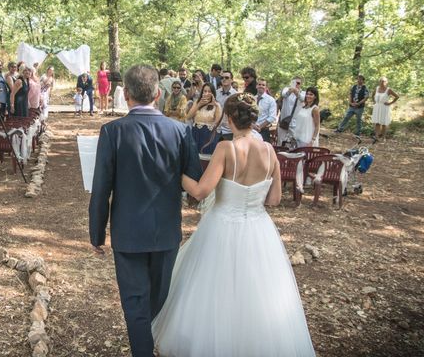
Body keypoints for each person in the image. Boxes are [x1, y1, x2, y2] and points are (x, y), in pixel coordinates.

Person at [152, 93, 315, 357]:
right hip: (259, 229)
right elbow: (274, 200)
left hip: (222, 226)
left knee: (214, 288)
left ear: (229, 119)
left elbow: (201, 191)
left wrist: (175, 172)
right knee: (258, 292)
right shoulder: (269, 151)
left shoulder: (226, 149)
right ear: (253, 119)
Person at [89, 64, 202, 357]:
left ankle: (144, 349)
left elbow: (102, 188)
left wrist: (96, 234)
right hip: (165, 230)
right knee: (158, 299)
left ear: (125, 94)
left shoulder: (112, 131)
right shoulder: (180, 131)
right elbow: (193, 183)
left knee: (135, 302)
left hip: (128, 231)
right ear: (158, 94)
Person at [186, 83, 222, 154]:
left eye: (209, 91)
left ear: (213, 93)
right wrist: (199, 105)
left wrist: (216, 106)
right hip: (196, 133)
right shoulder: (197, 102)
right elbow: (188, 117)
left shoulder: (217, 105)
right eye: (205, 91)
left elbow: (218, 123)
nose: (206, 93)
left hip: (208, 135)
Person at [278, 76, 305, 145]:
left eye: (298, 83)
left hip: (295, 123)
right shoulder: (286, 89)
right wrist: (290, 91)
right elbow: (284, 95)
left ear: (301, 84)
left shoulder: (303, 93)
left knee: (294, 142)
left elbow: (302, 99)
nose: (296, 84)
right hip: (283, 121)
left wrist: (296, 92)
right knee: (280, 141)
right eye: (294, 82)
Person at [371, 77, 399, 141]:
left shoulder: (388, 90)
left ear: (386, 82)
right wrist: (374, 101)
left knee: (384, 123)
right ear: (379, 82)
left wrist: (390, 103)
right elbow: (372, 95)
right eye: (381, 81)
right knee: (377, 122)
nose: (382, 82)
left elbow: (397, 96)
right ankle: (376, 137)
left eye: (383, 81)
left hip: (384, 107)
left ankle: (383, 138)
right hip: (377, 107)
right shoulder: (377, 88)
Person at [216, 70, 237, 141]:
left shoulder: (236, 95)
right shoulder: (216, 93)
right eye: (222, 78)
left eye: (227, 77)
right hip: (216, 128)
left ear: (232, 80)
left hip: (229, 130)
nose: (224, 79)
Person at [254, 78, 277, 143]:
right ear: (256, 86)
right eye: (259, 84)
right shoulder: (252, 99)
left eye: (263, 85)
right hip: (252, 130)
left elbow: (272, 117)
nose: (261, 86)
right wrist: (253, 126)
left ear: (266, 87)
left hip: (263, 131)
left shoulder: (271, 100)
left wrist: (260, 127)